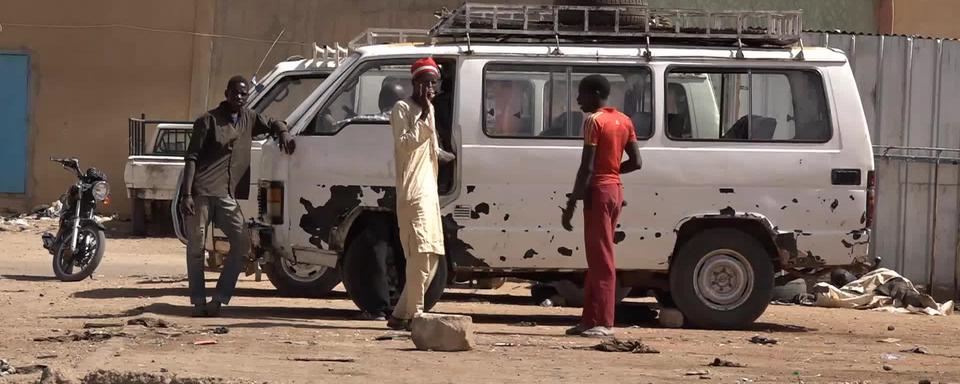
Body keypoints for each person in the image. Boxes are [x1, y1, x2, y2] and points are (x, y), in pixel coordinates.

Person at [180, 75, 296, 317]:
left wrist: (283, 132)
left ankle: (219, 299)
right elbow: (191, 158)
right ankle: (198, 302)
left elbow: (273, 122)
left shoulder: (249, 118)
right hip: (201, 191)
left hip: (226, 194)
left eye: (244, 94)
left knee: (242, 244)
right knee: (196, 248)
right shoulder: (208, 120)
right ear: (226, 94)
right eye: (236, 93)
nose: (240, 97)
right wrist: (186, 194)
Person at [561, 74, 642, 337]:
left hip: (598, 191)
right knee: (597, 258)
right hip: (614, 190)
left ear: (595, 94)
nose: (578, 99)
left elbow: (586, 167)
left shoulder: (594, 121)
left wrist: (572, 201)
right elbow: (637, 162)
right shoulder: (625, 121)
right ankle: (589, 320)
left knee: (602, 259)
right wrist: (612, 172)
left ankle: (604, 322)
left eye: (581, 94)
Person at [387, 57, 456, 330]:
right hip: (413, 192)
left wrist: (450, 156)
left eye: (433, 83)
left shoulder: (430, 111)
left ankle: (399, 316)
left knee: (433, 256)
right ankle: (414, 316)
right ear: (414, 83)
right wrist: (425, 116)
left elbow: (432, 147)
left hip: (429, 192)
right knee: (420, 253)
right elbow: (405, 145)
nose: (429, 88)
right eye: (425, 82)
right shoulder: (403, 109)